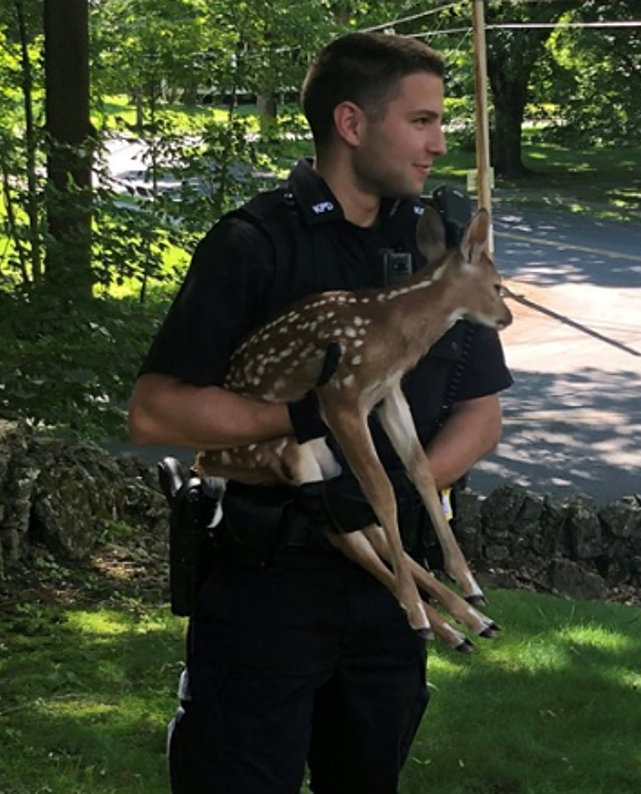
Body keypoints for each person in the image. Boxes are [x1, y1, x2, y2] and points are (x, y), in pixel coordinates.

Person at [128, 31, 513, 794]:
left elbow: (480, 411)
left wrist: (396, 494)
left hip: (385, 587)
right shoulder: (255, 244)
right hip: (267, 586)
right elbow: (156, 412)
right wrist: (312, 417)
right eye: (422, 121)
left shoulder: (433, 251)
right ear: (350, 123)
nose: (439, 144)